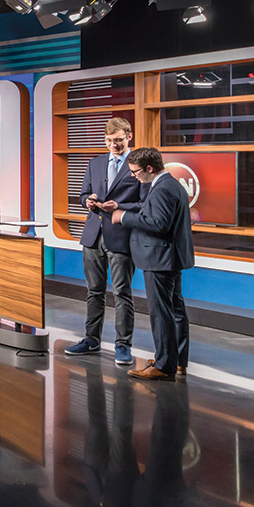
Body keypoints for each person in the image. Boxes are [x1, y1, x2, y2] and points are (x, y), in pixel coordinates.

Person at [65, 118, 147, 366]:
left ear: (129, 137)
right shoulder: (96, 163)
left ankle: (123, 345)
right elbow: (82, 195)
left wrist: (119, 205)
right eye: (110, 141)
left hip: (121, 237)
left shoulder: (139, 165)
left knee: (122, 293)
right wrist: (87, 201)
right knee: (94, 292)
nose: (114, 145)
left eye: (119, 140)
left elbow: (144, 203)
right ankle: (91, 340)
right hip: (93, 236)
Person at [112, 147, 194, 381]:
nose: (133, 176)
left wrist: (123, 217)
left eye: (136, 172)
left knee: (161, 313)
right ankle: (176, 361)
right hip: (169, 257)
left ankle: (164, 366)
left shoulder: (163, 188)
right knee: (175, 311)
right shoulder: (170, 184)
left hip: (160, 259)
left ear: (149, 168)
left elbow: (158, 223)